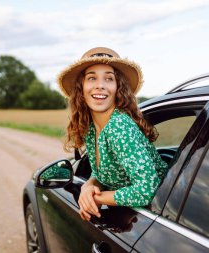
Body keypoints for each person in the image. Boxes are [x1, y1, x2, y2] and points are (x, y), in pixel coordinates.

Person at [57, 47, 168, 221]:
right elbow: (102, 173)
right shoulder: (91, 129)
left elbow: (147, 189)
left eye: (109, 78)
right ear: (81, 88)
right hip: (131, 219)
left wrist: (95, 198)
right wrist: (88, 186)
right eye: (92, 78)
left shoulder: (119, 126)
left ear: (118, 87)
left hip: (161, 215)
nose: (100, 85)